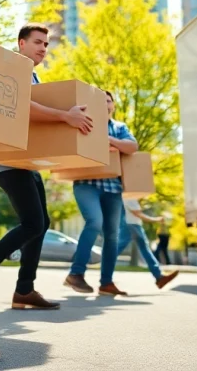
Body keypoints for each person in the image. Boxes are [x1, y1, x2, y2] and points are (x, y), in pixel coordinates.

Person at [0, 23, 93, 311]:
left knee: (42, 223)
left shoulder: (33, 75)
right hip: (8, 159)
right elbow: (21, 106)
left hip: (26, 161)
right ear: (21, 43)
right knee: (33, 223)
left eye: (46, 44)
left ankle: (24, 289)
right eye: (38, 42)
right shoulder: (13, 67)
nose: (43, 48)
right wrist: (65, 116)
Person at [63, 90, 136, 296]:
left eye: (109, 101)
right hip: (86, 183)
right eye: (101, 100)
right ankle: (76, 273)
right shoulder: (86, 121)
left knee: (112, 235)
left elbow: (132, 146)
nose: (105, 104)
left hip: (113, 188)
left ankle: (106, 282)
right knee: (94, 222)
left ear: (113, 105)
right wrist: (114, 145)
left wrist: (109, 140)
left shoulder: (120, 127)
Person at [117, 199, 179, 289]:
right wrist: (156, 219)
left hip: (132, 225)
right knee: (117, 250)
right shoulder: (130, 198)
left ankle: (159, 276)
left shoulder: (130, 197)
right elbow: (138, 214)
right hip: (132, 225)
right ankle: (105, 277)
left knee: (144, 250)